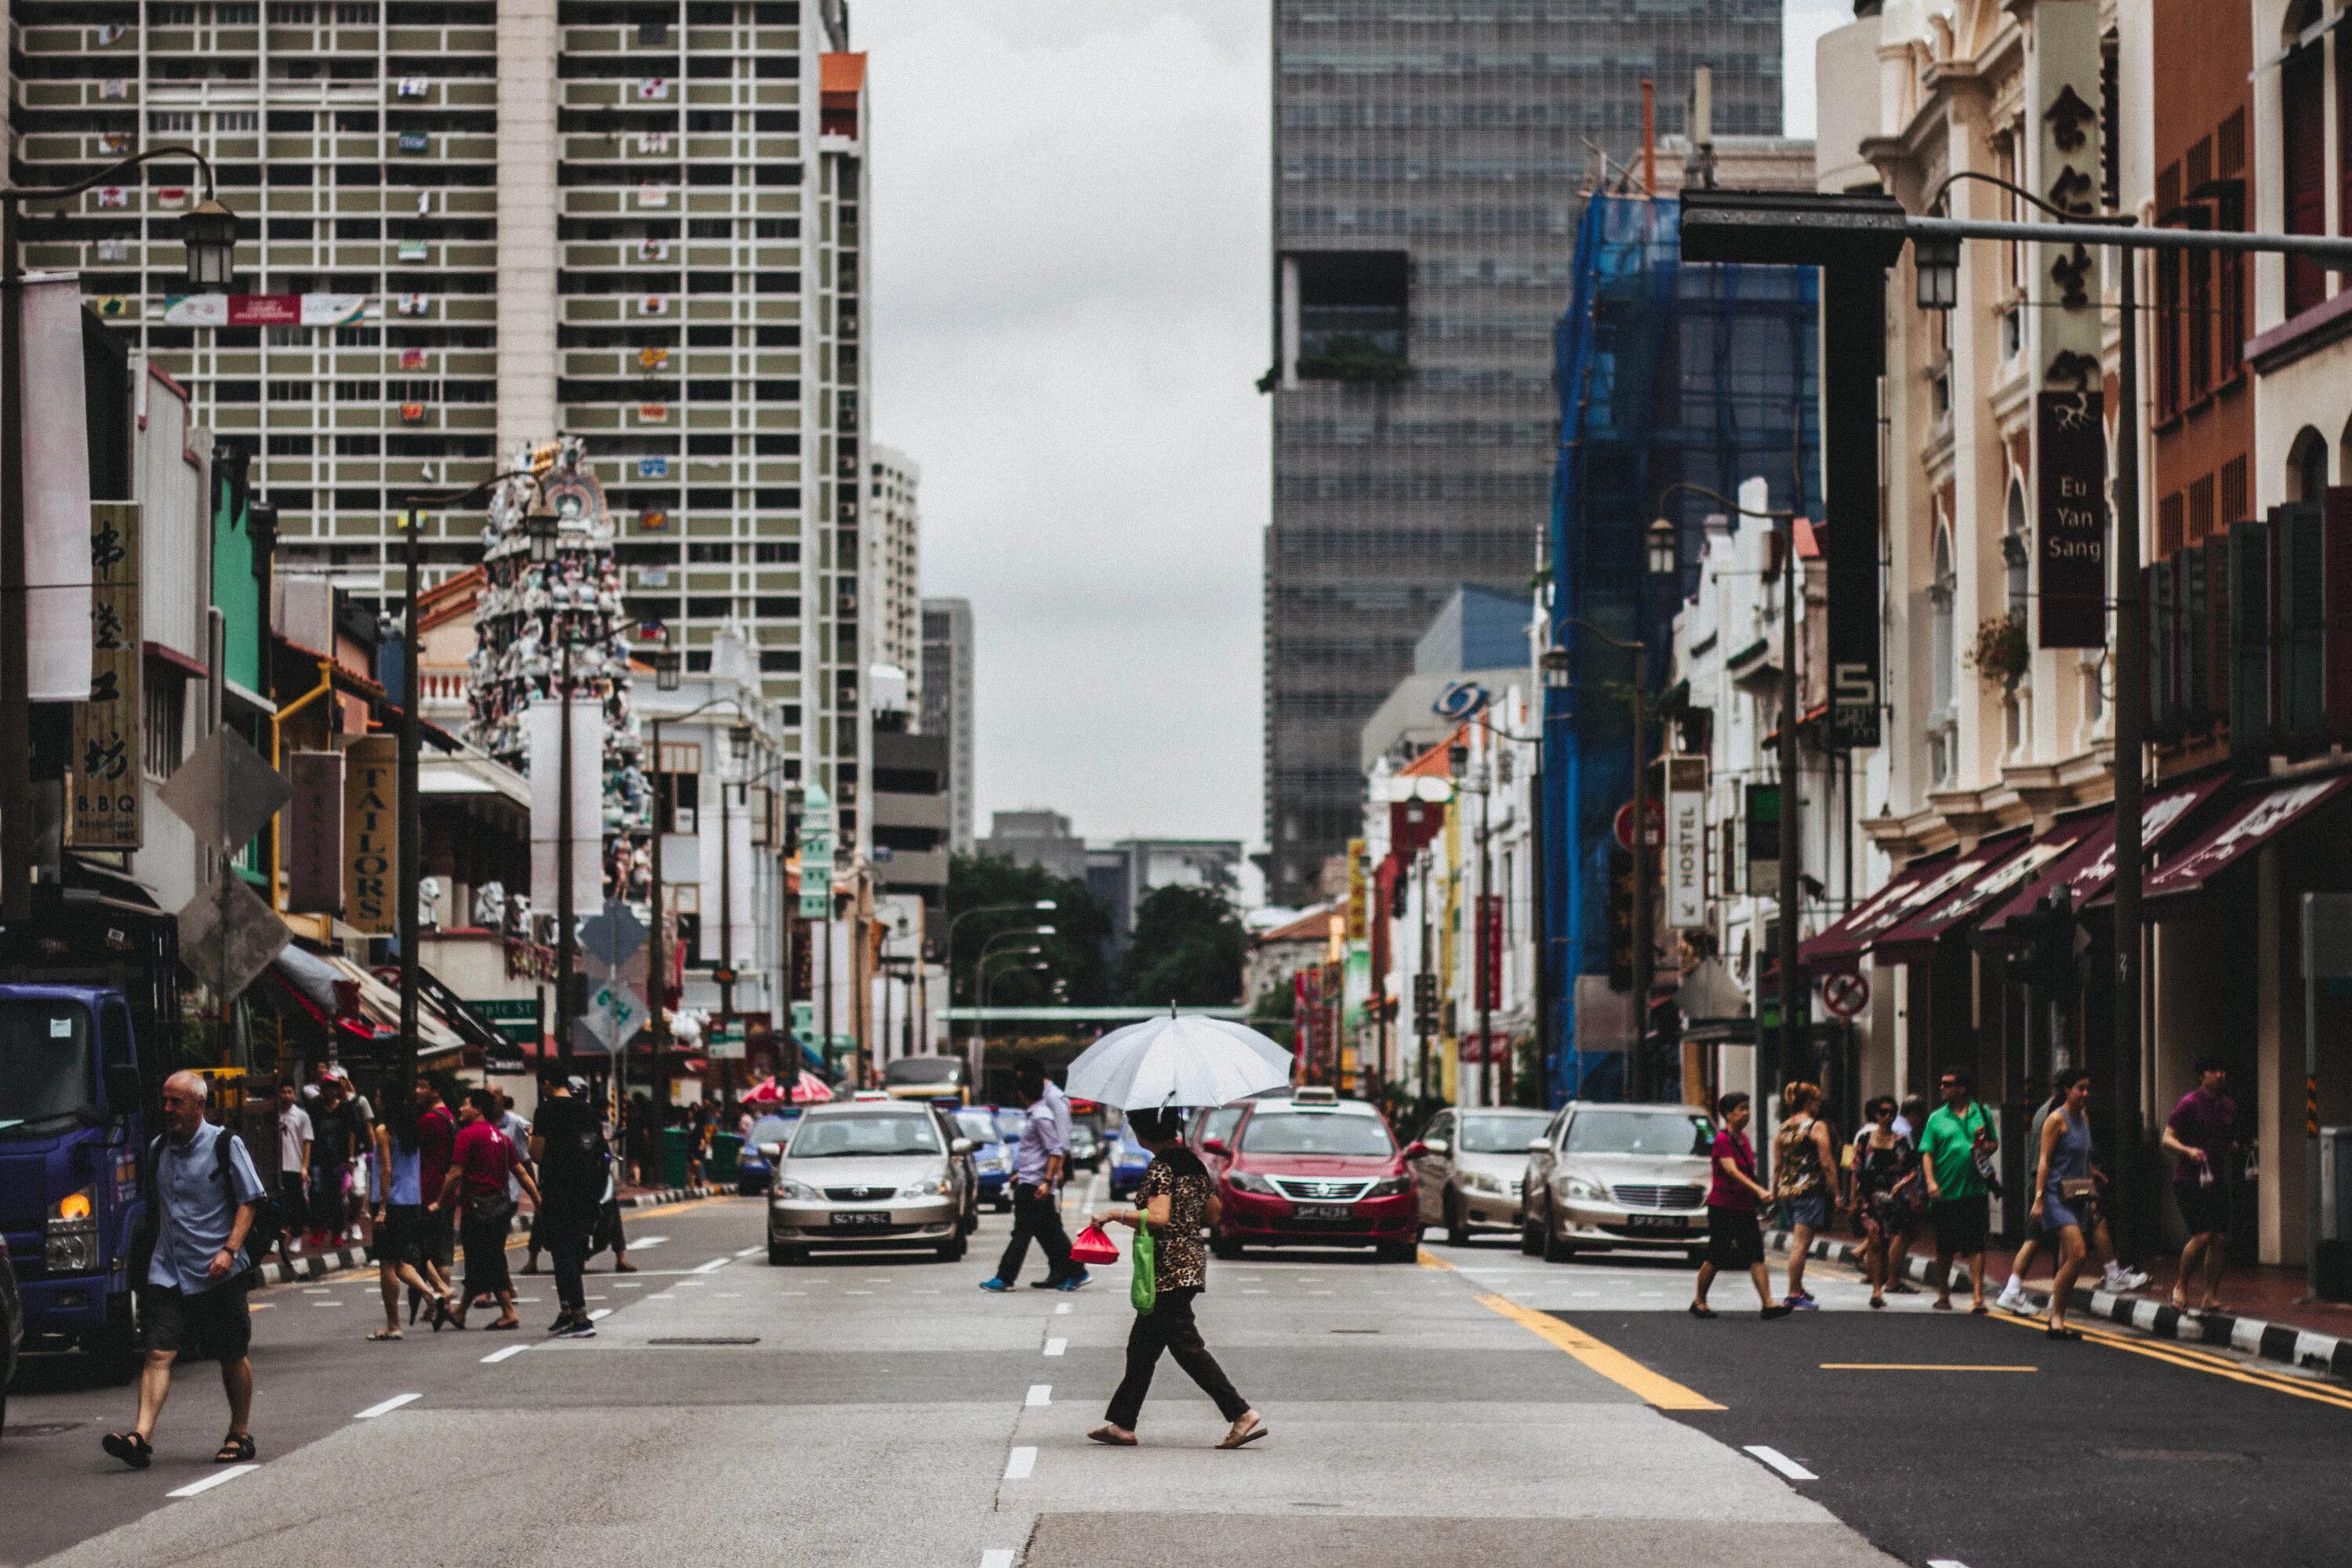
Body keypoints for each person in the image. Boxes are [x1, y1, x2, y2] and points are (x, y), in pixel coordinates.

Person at [103, 1072, 266, 1470]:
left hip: (217, 1271)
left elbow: (250, 1200)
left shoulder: (225, 1144)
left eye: (176, 1102)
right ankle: (140, 1436)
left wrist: (230, 1250)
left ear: (199, 1106)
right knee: (157, 1352)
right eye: (165, 1100)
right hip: (169, 1270)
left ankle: (240, 1432)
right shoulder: (160, 1148)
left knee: (232, 1354)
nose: (168, 1109)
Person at [1087, 1108, 1264, 1448]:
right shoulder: (1193, 1164)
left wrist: (1114, 1214)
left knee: (1186, 1346)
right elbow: (1213, 1214)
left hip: (1168, 1269)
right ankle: (1123, 1423)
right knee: (1142, 1347)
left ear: (1144, 1134)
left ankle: (1241, 1413)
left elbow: (1157, 1218)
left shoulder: (1162, 1168)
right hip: (1191, 1263)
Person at [434, 1088, 540, 1331]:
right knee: (482, 1258)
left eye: (465, 1104)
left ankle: (508, 1312)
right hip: (500, 1206)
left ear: (478, 1109)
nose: (460, 1108)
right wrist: (537, 1199)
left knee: (487, 1259)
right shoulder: (501, 1138)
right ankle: (460, 1312)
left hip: (477, 1207)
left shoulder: (467, 1135)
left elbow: (456, 1173)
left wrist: (440, 1202)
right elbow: (521, 1172)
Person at [981, 1064, 1084, 1293]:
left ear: (1022, 1094)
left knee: (1023, 1233)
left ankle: (1004, 1277)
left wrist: (1048, 1181)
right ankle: (1075, 1270)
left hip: (1035, 1184)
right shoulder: (1038, 1115)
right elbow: (1038, 1152)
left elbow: (1056, 1148)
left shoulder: (1040, 1117)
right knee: (1049, 1231)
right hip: (1031, 1180)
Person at [1690, 1091, 1792, 1320]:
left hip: (1744, 1207)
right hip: (1723, 1207)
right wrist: (1759, 1190)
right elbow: (1732, 1171)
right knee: (1717, 1255)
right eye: (1741, 1109)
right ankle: (1699, 1301)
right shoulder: (1722, 1140)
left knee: (1756, 1254)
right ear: (1728, 1114)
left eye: (1748, 1108)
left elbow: (1747, 1170)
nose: (1746, 1114)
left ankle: (1768, 1304)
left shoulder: (1743, 1139)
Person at [368, 1088, 453, 1339]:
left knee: (387, 1264)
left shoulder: (384, 1131)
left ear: (384, 1102)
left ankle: (393, 1324)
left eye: (378, 1096)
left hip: (392, 1202)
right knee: (400, 1260)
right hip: (411, 1201)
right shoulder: (412, 1130)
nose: (376, 1099)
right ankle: (433, 1294)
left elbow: (386, 1169)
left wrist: (381, 1207)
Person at [528, 1069, 607, 1338]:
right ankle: (567, 1312)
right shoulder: (586, 1111)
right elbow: (596, 1148)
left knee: (563, 1254)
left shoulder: (546, 1112)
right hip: (585, 1190)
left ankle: (581, 1317)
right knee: (572, 1250)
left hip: (557, 1189)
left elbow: (536, 1153)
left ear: (548, 1083)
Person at [2160, 1057, 2240, 1313]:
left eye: (2223, 1069)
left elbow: (2225, 1141)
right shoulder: (2188, 1104)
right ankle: (2180, 1287)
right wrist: (2188, 1151)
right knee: (2202, 1235)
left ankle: (2210, 1296)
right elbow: (2167, 1138)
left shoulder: (2228, 1107)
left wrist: (2240, 1147)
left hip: (2215, 1179)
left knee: (2220, 1239)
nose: (2221, 1075)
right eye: (2215, 1070)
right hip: (2188, 1180)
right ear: (2202, 1075)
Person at [2028, 1066, 2098, 1340]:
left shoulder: (2084, 1119)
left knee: (2068, 1258)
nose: (2085, 1093)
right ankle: (2055, 1317)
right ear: (2067, 1090)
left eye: (2087, 1088)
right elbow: (2044, 1161)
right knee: (2079, 1254)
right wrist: (2038, 1198)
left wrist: (2092, 1196)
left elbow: (2085, 1160)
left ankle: (2059, 1316)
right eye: (2080, 1088)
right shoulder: (2056, 1120)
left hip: (2077, 1194)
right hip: (2056, 1196)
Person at [1919, 1068, 1998, 1313]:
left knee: (1976, 1244)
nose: (1941, 1088)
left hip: (1974, 1189)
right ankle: (1943, 1293)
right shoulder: (1936, 1118)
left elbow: (1993, 1145)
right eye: (1941, 1083)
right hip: (1946, 1191)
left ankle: (1978, 1296)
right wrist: (1931, 1182)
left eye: (1947, 1084)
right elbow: (1927, 1153)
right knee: (1945, 1247)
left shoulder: (1981, 1112)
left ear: (1961, 1088)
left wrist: (1984, 1145)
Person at [1851, 1096, 1921, 1310]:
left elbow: (1912, 1170)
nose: (1888, 1116)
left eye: (1892, 1112)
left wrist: (1906, 1189)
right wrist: (1852, 1198)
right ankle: (1876, 1291)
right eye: (1883, 1112)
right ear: (1876, 1115)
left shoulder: (1901, 1141)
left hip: (1892, 1199)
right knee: (1874, 1241)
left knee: (1887, 1241)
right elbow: (1854, 1169)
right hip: (1869, 1197)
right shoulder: (1864, 1139)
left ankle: (1882, 1280)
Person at [1772, 1082, 1836, 1310]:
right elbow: (1827, 1163)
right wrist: (1836, 1192)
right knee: (1801, 1244)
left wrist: (1774, 1191)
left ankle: (1798, 1287)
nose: (1819, 1106)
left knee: (1799, 1241)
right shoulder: (1815, 1127)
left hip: (1787, 1192)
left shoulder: (1783, 1128)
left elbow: (1777, 1165)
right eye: (1817, 1101)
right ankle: (1792, 1293)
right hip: (1809, 1191)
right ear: (1809, 1103)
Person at [410, 1074, 459, 1323]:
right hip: (444, 1190)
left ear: (435, 1091)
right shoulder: (447, 1116)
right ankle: (443, 1302)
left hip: (429, 1190)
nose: (417, 1091)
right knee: (442, 1249)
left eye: (422, 1086)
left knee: (426, 1250)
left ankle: (440, 1297)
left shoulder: (429, 1119)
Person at [307, 1073, 365, 1251]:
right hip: (319, 1158)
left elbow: (351, 1133)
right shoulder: (315, 1107)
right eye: (327, 1087)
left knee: (337, 1197)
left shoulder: (346, 1108)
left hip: (338, 1159)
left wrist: (350, 1157)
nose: (330, 1091)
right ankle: (318, 1230)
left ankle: (337, 1233)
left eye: (333, 1087)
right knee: (316, 1195)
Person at [274, 1080, 311, 1265]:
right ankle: (277, 1237)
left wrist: (305, 1166)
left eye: (289, 1092)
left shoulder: (302, 1116)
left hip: (294, 1165)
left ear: (294, 1095)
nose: (285, 1096)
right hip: (278, 1167)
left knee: (296, 1203)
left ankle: (297, 1236)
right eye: (283, 1092)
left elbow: (307, 1142)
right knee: (277, 1204)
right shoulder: (274, 1114)